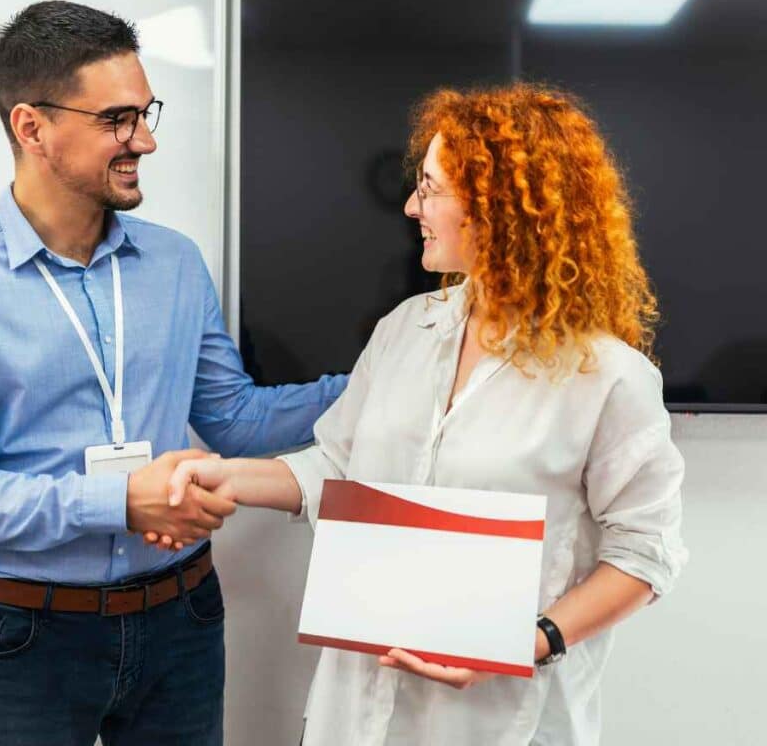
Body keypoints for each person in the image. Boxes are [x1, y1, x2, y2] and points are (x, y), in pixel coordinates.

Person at [153, 84, 688, 746]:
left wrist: (534, 640)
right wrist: (225, 478)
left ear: (495, 207)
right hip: (358, 709)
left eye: (430, 189)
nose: (412, 207)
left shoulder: (609, 377)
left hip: (502, 719)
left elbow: (644, 555)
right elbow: (341, 464)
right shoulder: (408, 327)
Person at [0, 0, 346, 746]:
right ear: (32, 127)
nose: (147, 140)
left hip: (182, 618)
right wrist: (118, 502)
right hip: (23, 636)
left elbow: (235, 419)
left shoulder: (175, 263)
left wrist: (386, 382)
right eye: (118, 120)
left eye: (146, 112)